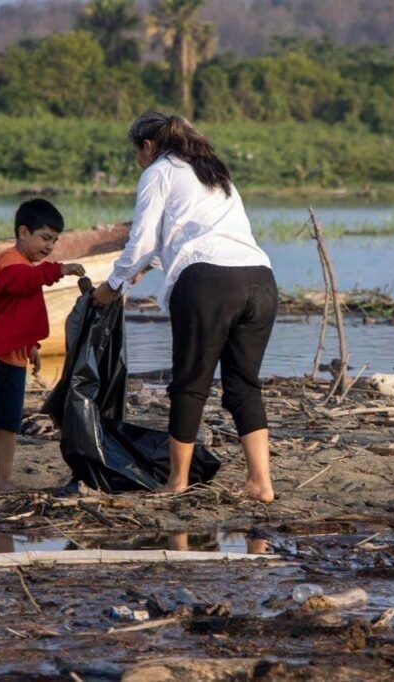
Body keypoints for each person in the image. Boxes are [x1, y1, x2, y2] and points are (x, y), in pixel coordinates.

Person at [92, 112, 278, 503]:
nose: (138, 161)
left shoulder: (159, 171)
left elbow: (143, 239)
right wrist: (142, 270)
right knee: (244, 386)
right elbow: (185, 232)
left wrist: (112, 285)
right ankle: (261, 484)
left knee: (190, 384)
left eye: (137, 153)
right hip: (260, 279)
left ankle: (177, 481)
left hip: (209, 282)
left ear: (148, 146)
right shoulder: (213, 170)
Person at [0, 198, 86, 490]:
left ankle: (4, 479)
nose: (49, 247)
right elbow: (19, 282)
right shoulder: (10, 261)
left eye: (55, 241)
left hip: (14, 358)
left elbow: (22, 315)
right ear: (24, 232)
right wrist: (56, 270)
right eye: (45, 238)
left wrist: (32, 345)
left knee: (9, 423)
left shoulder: (28, 268)